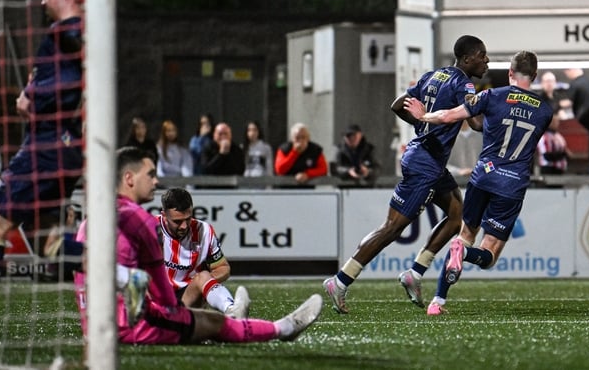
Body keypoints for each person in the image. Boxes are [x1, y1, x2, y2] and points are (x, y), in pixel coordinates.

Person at [72, 146, 322, 344]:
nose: (155, 181)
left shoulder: (94, 218)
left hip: (95, 325)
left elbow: (81, 270)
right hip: (135, 325)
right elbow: (162, 294)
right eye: (150, 174)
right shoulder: (142, 222)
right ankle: (284, 328)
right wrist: (174, 310)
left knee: (203, 306)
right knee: (213, 324)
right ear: (129, 178)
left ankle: (240, 313)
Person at [322, 34, 488, 314]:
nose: (486, 60)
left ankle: (415, 272)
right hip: (425, 163)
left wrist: (421, 124)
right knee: (392, 228)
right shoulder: (464, 83)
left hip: (429, 160)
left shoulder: (433, 76)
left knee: (457, 213)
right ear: (467, 58)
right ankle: (340, 280)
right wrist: (498, 110)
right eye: (482, 55)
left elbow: (398, 104)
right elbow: (475, 123)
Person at [403, 50, 553, 315]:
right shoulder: (545, 110)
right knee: (489, 254)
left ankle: (438, 302)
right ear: (535, 75)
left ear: (510, 72)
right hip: (512, 183)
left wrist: (423, 116)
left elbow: (450, 116)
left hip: (483, 175)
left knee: (466, 235)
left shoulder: (491, 96)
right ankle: (463, 254)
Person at [0, 0, 85, 289]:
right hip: (60, 150)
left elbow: (79, 40)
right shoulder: (62, 37)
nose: (43, 0)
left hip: (47, 149)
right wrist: (29, 91)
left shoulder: (69, 30)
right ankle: (128, 272)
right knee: (50, 243)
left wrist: (33, 95)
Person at [157, 187, 250, 317]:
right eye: (177, 221)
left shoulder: (204, 231)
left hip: (187, 298)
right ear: (164, 215)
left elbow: (223, 268)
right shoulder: (148, 229)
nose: (184, 226)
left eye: (188, 219)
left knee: (204, 276)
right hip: (156, 300)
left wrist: (203, 284)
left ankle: (233, 312)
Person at [536, 110, 569, 175]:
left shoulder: (558, 135)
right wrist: (564, 154)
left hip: (559, 169)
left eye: (557, 121)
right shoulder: (544, 136)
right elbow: (547, 156)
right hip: (549, 168)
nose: (557, 123)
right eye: (554, 122)